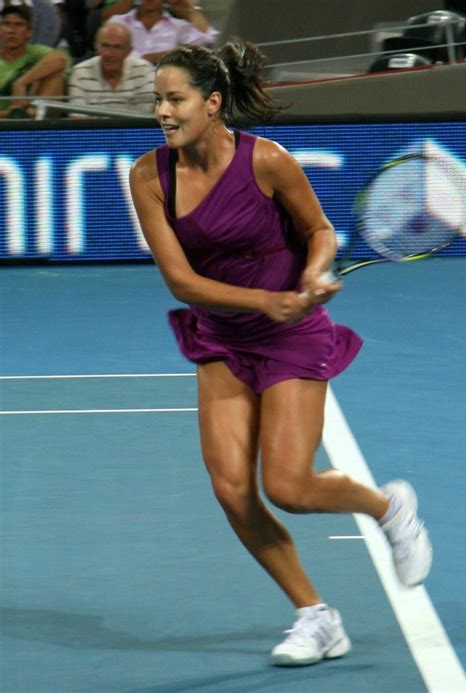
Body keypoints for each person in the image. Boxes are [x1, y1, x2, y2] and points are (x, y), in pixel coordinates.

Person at [129, 40, 433, 667]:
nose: (162, 111)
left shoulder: (267, 160)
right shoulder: (148, 176)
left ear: (212, 104)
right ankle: (316, 616)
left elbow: (320, 232)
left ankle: (388, 507)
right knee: (232, 488)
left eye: (175, 99)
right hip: (223, 334)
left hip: (291, 335)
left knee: (289, 486)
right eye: (157, 99)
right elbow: (181, 283)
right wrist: (262, 302)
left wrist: (316, 272)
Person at [68, 22, 155, 115]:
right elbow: (79, 120)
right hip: (94, 130)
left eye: (117, 47)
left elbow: (145, 118)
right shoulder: (80, 73)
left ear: (129, 51)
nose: (109, 54)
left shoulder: (144, 70)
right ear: (96, 47)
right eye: (105, 46)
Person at [0, 4, 68, 118]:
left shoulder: (35, 51)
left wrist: (21, 83)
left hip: (29, 115)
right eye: (6, 24)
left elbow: (60, 60)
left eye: (18, 25)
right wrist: (11, 114)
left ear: (29, 32)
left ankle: (31, 116)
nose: (11, 31)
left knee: (55, 75)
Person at [104, 0, 218, 65]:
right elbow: (108, 51)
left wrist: (190, 7)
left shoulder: (178, 26)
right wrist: (157, 57)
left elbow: (208, 40)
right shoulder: (119, 22)